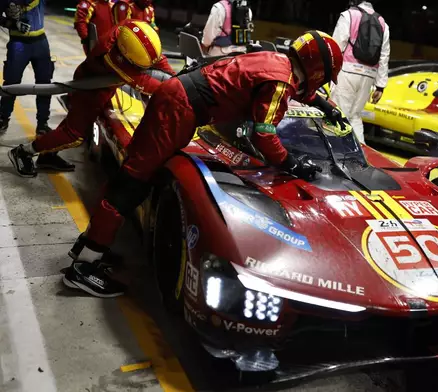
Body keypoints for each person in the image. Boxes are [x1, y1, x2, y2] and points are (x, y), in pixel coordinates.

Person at [59, 30, 346, 298]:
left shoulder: (278, 62)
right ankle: (83, 268)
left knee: (133, 177)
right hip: (180, 109)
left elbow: (294, 91)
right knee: (132, 184)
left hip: (179, 100)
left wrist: (326, 106)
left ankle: (87, 247)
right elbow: (265, 135)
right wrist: (293, 164)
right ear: (317, 68)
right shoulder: (280, 82)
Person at [8, 20, 176, 177]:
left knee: (72, 124)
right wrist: (177, 90)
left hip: (103, 86)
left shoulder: (131, 31)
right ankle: (23, 152)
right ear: (125, 54)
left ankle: (48, 155)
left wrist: (177, 76)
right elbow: (143, 82)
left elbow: (157, 59)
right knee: (74, 134)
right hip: (90, 88)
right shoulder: (112, 57)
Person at [0, 0, 74, 171]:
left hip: (40, 42)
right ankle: (3, 117)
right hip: (18, 42)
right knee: (11, 83)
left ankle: (42, 123)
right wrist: (12, 23)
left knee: (45, 84)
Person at [330, 0, 390, 144]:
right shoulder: (383, 23)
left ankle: (335, 153)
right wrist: (380, 86)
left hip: (347, 71)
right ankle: (361, 155)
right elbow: (384, 56)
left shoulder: (348, 15)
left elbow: (336, 46)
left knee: (338, 113)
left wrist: (330, 71)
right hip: (369, 75)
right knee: (355, 116)